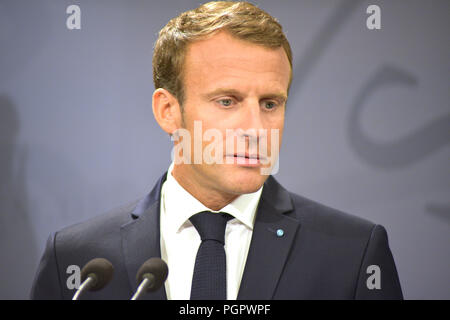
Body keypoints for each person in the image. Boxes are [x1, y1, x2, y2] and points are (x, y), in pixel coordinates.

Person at [30, 1, 403, 300]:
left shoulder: (352, 253)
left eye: (271, 103)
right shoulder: (80, 261)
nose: (256, 129)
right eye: (227, 101)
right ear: (168, 111)